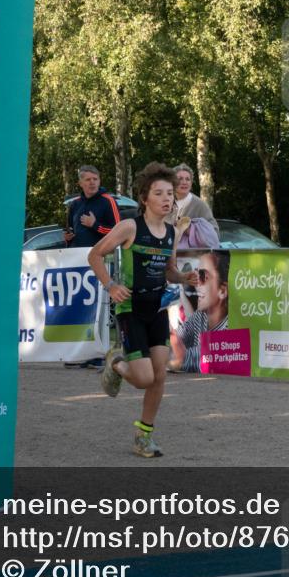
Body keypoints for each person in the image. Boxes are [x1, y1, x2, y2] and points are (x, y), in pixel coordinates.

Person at [87, 162, 198, 458]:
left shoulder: (172, 233)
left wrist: (183, 278)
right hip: (130, 309)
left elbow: (169, 270)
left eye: (170, 194)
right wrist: (110, 285)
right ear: (144, 198)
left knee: (159, 375)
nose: (166, 199)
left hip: (157, 309)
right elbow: (94, 254)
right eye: (159, 193)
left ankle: (143, 436)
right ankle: (116, 363)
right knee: (144, 378)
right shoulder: (129, 227)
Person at [169, 250, 229, 373]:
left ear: (222, 291)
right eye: (196, 274)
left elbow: (180, 359)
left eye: (203, 276)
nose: (196, 283)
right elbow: (171, 344)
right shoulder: (201, 316)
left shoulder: (231, 328)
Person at [65, 165, 121, 248]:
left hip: (101, 255)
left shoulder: (109, 201)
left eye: (95, 179)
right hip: (77, 255)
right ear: (80, 183)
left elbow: (119, 232)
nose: (92, 182)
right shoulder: (75, 204)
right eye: (88, 180)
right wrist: (67, 238)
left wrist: (95, 225)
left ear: (99, 181)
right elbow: (70, 230)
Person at [167, 163, 218, 234]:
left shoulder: (200, 205)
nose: (184, 182)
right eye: (180, 179)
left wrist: (190, 230)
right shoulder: (167, 202)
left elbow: (215, 232)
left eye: (188, 179)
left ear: (191, 183)